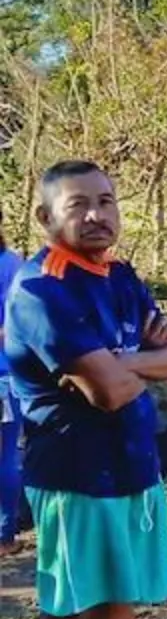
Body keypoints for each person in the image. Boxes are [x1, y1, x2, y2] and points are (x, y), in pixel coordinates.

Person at [4, 160, 167, 619]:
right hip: (79, 477)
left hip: (132, 464)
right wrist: (137, 368)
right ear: (45, 218)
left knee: (80, 607)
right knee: (99, 608)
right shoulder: (42, 290)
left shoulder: (119, 275)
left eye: (105, 202)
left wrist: (124, 362)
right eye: (78, 204)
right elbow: (111, 392)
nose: (95, 215)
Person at [0, 209, 22, 557]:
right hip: (10, 375)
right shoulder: (16, 265)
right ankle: (5, 533)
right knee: (6, 454)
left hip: (5, 375)